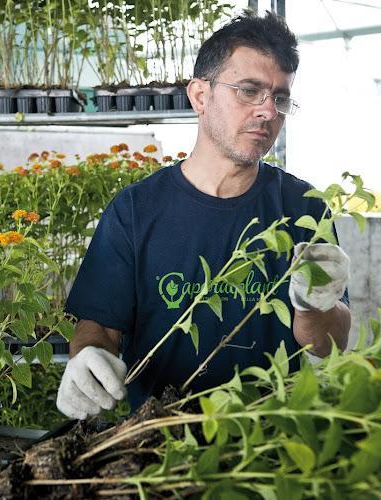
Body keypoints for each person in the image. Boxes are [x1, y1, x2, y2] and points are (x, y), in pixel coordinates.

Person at [57, 11, 351, 419]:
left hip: (269, 443)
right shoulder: (136, 211)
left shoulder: (304, 209)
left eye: (280, 98)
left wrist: (312, 305)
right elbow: (100, 328)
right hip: (156, 441)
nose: (268, 111)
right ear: (199, 95)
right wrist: (86, 359)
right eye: (249, 91)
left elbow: (328, 344)